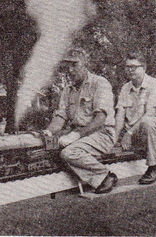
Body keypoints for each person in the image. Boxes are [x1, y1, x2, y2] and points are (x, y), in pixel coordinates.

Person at [42, 48, 118, 194]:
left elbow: (101, 118)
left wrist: (76, 135)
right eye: (67, 67)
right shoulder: (67, 90)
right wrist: (49, 131)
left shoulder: (100, 83)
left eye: (74, 65)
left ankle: (106, 176)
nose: (70, 70)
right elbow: (60, 117)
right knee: (50, 149)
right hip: (80, 134)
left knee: (69, 153)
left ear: (85, 64)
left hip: (102, 134)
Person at [115, 52, 156, 185]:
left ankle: (153, 168)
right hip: (136, 136)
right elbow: (120, 116)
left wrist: (128, 134)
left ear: (144, 68)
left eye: (133, 67)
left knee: (147, 122)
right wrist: (115, 137)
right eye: (127, 67)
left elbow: (150, 114)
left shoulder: (155, 84)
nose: (129, 70)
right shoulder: (125, 88)